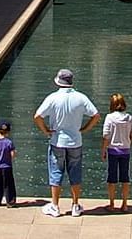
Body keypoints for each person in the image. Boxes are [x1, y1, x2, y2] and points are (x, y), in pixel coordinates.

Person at [33, 68, 100, 218]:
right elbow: (96, 115)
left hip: (57, 140)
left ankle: (55, 206)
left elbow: (37, 116)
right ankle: (75, 205)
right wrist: (84, 128)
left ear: (58, 82)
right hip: (75, 141)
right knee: (75, 173)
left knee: (56, 172)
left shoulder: (53, 98)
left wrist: (46, 131)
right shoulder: (81, 97)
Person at [100, 92, 132, 212]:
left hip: (113, 150)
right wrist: (128, 143)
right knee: (125, 178)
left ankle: (112, 204)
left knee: (112, 178)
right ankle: (125, 204)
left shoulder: (109, 118)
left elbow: (106, 136)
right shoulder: (130, 118)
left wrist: (104, 150)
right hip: (125, 151)